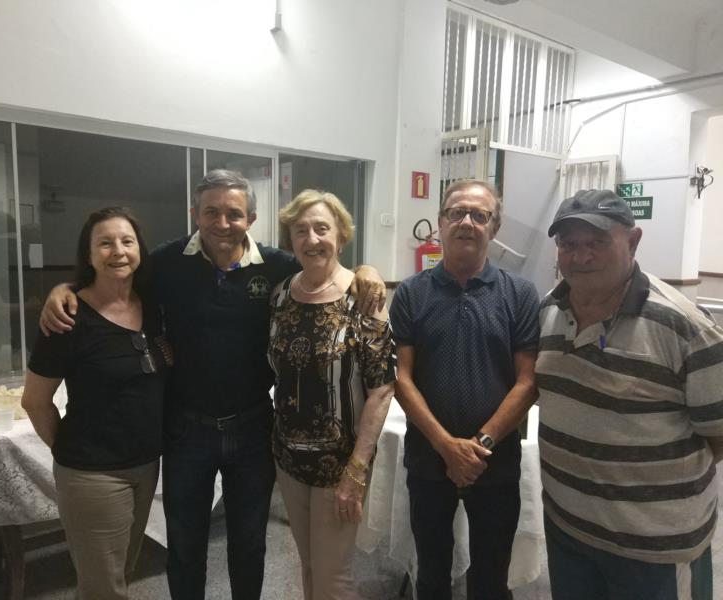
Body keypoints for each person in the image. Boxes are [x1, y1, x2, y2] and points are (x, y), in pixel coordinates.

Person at [38, 170, 386, 599]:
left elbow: (328, 265)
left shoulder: (278, 265)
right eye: (211, 212)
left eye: (234, 214)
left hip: (253, 428)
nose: (223, 223)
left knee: (249, 544)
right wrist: (65, 288)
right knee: (185, 545)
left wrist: (368, 270)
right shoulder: (166, 263)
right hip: (187, 430)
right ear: (195, 214)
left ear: (251, 219)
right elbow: (115, 277)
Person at [537, 189, 723, 600]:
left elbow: (718, 435)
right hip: (568, 528)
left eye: (597, 242)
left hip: (653, 548)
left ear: (633, 241)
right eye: (568, 244)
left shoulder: (686, 328)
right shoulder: (548, 311)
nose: (580, 256)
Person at [390, 179, 539, 600]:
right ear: (440, 222)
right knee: (431, 573)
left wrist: (479, 445)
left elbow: (528, 382)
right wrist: (445, 446)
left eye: (479, 214)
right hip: (428, 457)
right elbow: (401, 378)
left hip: (495, 460)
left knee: (491, 578)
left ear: (495, 227)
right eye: (456, 212)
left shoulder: (520, 294)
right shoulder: (412, 294)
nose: (467, 222)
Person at [22, 207, 170, 599]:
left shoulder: (154, 306)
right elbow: (34, 401)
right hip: (93, 474)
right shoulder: (68, 317)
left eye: (126, 241)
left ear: (139, 250)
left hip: (145, 466)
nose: (117, 251)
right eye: (105, 243)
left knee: (119, 575)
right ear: (88, 255)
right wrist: (75, 455)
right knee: (104, 588)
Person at [268, 190, 395, 600]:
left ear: (341, 236)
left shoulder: (363, 298)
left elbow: (381, 391)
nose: (312, 239)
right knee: (309, 566)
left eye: (322, 228)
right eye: (300, 230)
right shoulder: (281, 295)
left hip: (339, 465)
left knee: (333, 578)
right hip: (288, 458)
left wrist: (356, 469)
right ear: (291, 240)